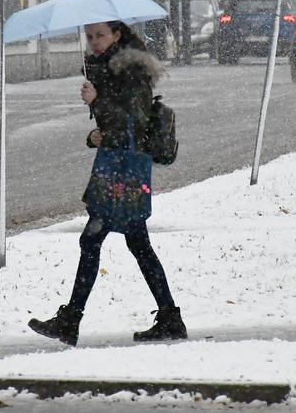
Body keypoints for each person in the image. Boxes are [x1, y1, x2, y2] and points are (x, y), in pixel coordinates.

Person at [28, 19, 186, 346]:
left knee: (94, 239)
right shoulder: (104, 68)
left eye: (100, 35)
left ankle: (71, 320)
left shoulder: (131, 70)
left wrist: (96, 101)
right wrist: (95, 133)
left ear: (117, 34)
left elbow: (135, 122)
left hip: (125, 169)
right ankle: (169, 317)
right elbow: (112, 127)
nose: (94, 41)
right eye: (89, 36)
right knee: (136, 243)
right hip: (117, 164)